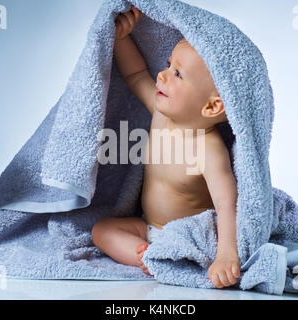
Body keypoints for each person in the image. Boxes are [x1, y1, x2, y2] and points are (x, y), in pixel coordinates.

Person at [91, 6, 240, 289]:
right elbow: (136, 75)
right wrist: (122, 38)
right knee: (102, 230)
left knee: (109, 233)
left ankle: (172, 258)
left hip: (191, 235)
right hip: (150, 228)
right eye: (168, 64)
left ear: (212, 106)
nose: (162, 75)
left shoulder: (208, 148)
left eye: (178, 74)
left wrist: (226, 254)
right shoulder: (162, 115)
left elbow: (226, 203)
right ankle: (148, 257)